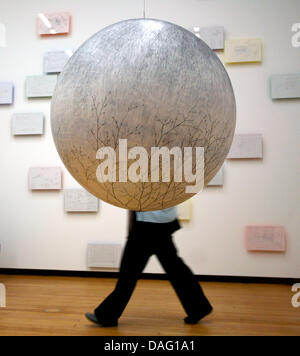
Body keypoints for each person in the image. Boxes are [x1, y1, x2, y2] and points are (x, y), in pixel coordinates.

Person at [86, 207, 212, 327]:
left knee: (129, 274)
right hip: (163, 223)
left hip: (146, 225)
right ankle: (199, 308)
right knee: (176, 269)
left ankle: (107, 316)